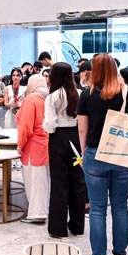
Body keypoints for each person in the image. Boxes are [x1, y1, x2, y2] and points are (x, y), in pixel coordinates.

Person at [78, 54, 128, 255]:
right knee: (120, 206)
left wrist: (84, 150)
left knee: (97, 208)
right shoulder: (125, 92)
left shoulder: (87, 94)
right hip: (122, 156)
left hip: (95, 153)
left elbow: (82, 128)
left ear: (95, 70)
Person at [43, 62, 85, 238]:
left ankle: (58, 228)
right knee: (77, 181)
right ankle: (77, 226)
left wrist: (47, 127)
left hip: (58, 139)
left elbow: (50, 124)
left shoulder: (52, 97)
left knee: (59, 182)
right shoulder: (80, 94)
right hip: (76, 138)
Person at [17, 74, 50, 225]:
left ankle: (37, 213)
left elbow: (26, 127)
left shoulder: (30, 100)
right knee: (43, 181)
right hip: (45, 144)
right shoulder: (47, 99)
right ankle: (43, 210)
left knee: (35, 180)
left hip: (33, 147)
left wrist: (20, 145)